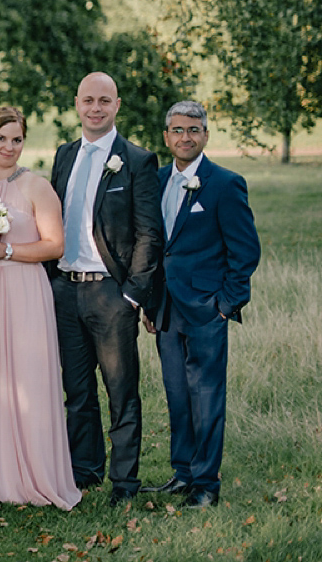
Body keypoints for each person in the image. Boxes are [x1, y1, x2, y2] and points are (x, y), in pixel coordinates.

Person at [48, 72, 162, 506]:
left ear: (117, 105)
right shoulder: (64, 155)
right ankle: (85, 469)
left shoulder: (135, 160)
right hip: (65, 289)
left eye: (104, 101)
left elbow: (150, 234)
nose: (95, 108)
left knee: (120, 391)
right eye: (88, 100)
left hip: (110, 294)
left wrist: (133, 294)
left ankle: (125, 483)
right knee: (77, 392)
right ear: (77, 104)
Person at [139, 101, 260, 508]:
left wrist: (225, 305)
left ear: (206, 134)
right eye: (177, 130)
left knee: (206, 396)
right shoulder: (154, 181)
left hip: (208, 309)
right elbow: (155, 247)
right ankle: (183, 473)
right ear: (166, 136)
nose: (185, 137)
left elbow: (245, 253)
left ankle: (206, 484)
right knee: (177, 394)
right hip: (166, 310)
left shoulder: (225, 184)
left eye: (193, 129)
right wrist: (150, 303)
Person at [0, 107, 81, 509]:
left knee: (26, 377)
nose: (9, 147)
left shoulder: (36, 186)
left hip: (23, 289)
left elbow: (55, 245)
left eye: (16, 139)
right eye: (1, 139)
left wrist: (6, 249)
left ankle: (31, 471)